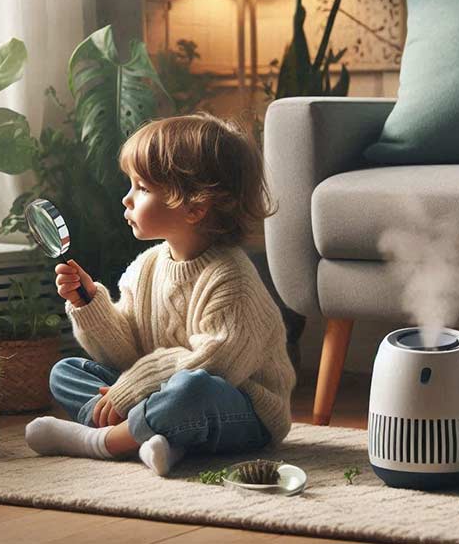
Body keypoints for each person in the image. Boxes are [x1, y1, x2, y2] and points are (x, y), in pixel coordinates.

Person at [24, 113, 295, 476]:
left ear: (195, 207)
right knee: (66, 372)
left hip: (241, 410)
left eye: (143, 188)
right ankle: (163, 439)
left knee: (192, 391)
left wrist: (134, 387)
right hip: (157, 398)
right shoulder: (146, 266)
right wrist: (88, 305)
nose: (127, 199)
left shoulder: (232, 278)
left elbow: (218, 366)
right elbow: (127, 353)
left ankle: (102, 442)